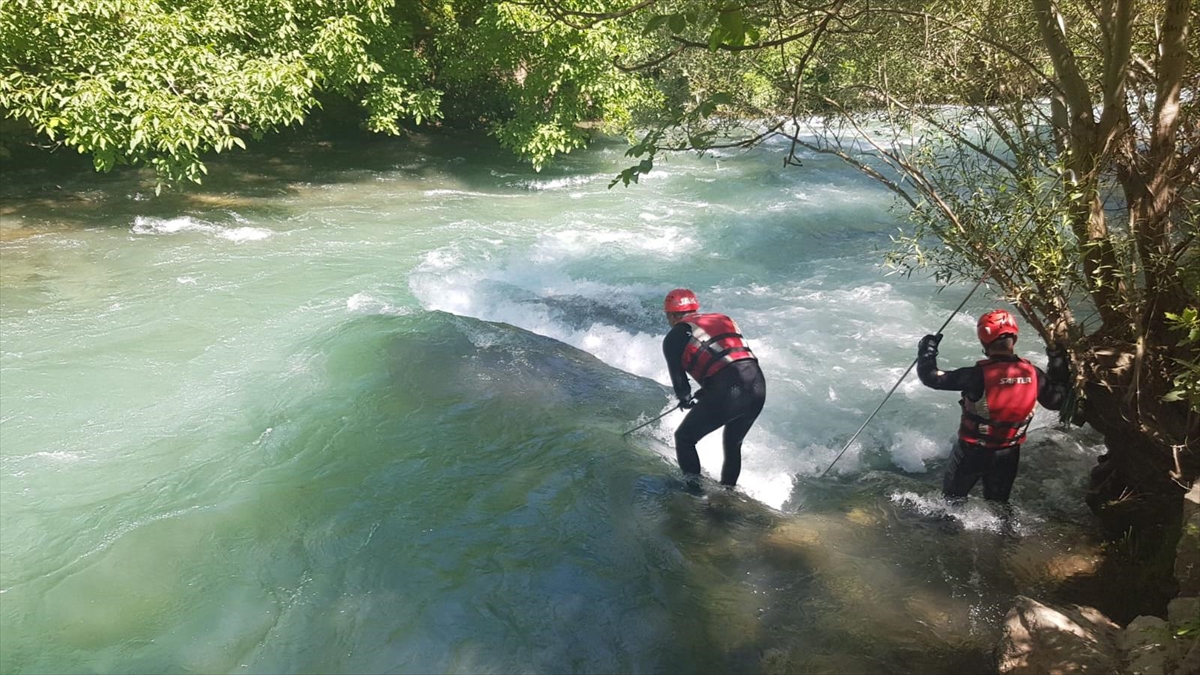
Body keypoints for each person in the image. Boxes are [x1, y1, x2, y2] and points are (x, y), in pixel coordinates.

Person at [917, 309, 1071, 504]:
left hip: (972, 452)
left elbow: (931, 378)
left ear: (983, 342)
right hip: (1008, 454)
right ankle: (1005, 534)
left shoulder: (975, 376)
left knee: (952, 502)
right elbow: (1056, 402)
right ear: (1014, 339)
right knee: (998, 505)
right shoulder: (1034, 374)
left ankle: (948, 533)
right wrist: (1057, 359)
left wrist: (927, 350)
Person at [661, 288, 766, 488]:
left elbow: (680, 384)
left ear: (673, 315)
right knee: (733, 444)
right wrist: (708, 391)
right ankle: (728, 492)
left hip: (731, 389)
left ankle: (693, 492)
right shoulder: (722, 319)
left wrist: (685, 399)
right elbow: (728, 360)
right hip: (758, 385)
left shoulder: (675, 335)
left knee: (684, 438)